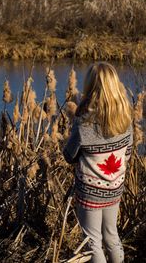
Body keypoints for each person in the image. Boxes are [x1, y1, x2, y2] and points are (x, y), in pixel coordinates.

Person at [63, 62, 133, 263]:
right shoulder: (126, 117)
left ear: (90, 86)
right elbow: (127, 154)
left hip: (90, 191)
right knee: (112, 235)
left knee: (92, 241)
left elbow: (69, 156)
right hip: (115, 187)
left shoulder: (84, 122)